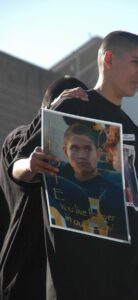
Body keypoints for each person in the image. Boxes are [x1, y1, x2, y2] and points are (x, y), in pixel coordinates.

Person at [2, 31, 138, 300]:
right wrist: (30, 165)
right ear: (109, 59)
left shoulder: (133, 130)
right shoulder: (73, 104)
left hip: (127, 273)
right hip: (75, 272)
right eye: (135, 62)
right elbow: (17, 166)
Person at [0, 76, 88, 298]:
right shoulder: (21, 137)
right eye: (68, 111)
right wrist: (53, 113)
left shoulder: (83, 153)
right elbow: (19, 167)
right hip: (24, 272)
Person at [45, 122, 127, 239]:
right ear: (65, 152)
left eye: (87, 149)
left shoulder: (116, 183)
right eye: (74, 148)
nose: (82, 155)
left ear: (98, 153)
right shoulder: (54, 174)